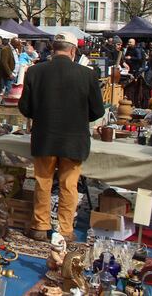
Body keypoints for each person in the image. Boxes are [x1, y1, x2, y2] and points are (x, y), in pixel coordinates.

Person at [18, 33, 104, 242]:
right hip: (74, 139)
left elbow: (25, 107)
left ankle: (40, 225)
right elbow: (98, 110)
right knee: (69, 185)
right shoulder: (87, 74)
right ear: (73, 51)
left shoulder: (35, 71)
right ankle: (65, 229)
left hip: (45, 137)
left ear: (52, 49)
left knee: (43, 182)